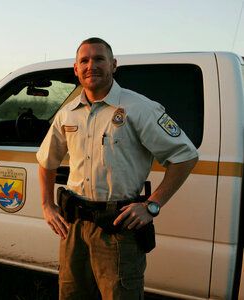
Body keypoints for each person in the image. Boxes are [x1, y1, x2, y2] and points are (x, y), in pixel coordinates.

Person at [36, 37, 199, 299]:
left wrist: (151, 205)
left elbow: (185, 156)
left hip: (118, 229)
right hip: (74, 227)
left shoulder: (139, 108)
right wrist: (46, 204)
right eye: (84, 61)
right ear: (76, 69)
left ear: (113, 65)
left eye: (99, 59)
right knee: (71, 294)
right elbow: (46, 160)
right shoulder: (67, 114)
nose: (92, 66)